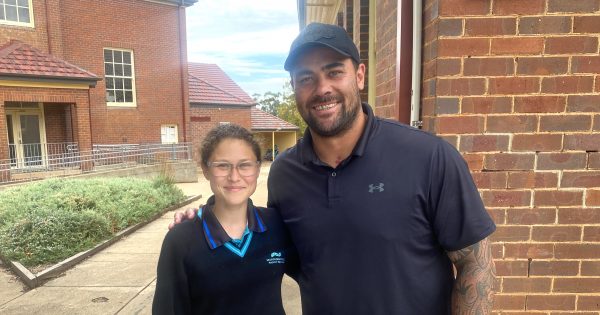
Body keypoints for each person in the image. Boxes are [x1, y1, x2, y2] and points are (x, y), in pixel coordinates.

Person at [172, 22, 496, 315]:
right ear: (295, 88)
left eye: (334, 72)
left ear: (359, 76)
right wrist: (202, 225)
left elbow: (475, 264)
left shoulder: (429, 157)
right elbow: (269, 248)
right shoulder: (285, 174)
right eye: (306, 78)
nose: (322, 88)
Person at [153, 124, 297, 315]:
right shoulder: (180, 241)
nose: (234, 177)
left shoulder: (277, 225)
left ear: (257, 168)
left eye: (245, 165)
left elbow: (315, 269)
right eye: (222, 165)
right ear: (205, 169)